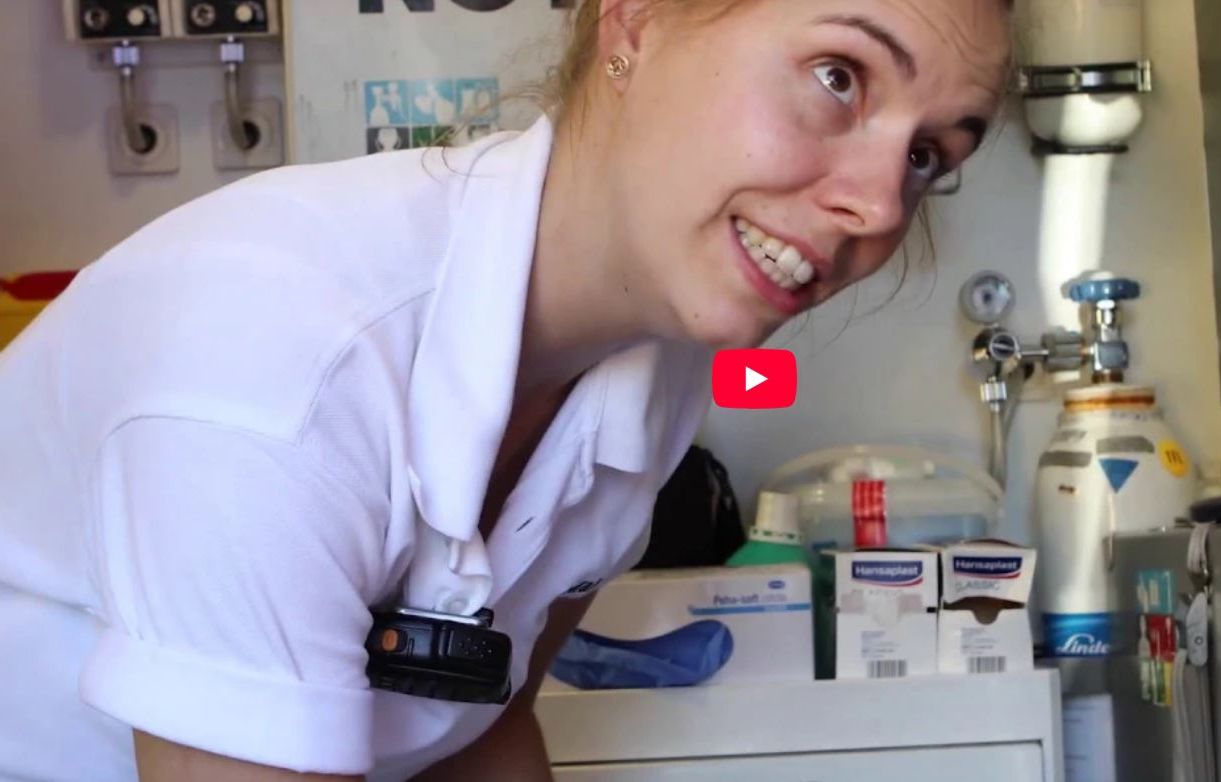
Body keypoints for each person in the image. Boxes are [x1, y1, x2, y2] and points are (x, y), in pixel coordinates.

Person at [0, 0, 1011, 779]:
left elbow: (477, 723)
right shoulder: (281, 356)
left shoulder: (651, 370)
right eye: (838, 77)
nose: (878, 206)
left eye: (928, 155)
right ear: (635, 21)